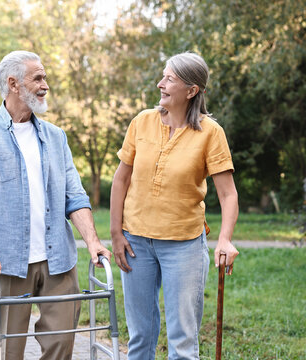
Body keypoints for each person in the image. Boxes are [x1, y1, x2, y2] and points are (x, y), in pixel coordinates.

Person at [0, 50, 111, 360]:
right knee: (8, 350)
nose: (45, 85)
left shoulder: (55, 137)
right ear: (13, 83)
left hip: (58, 259)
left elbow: (75, 196)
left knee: (62, 345)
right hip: (7, 261)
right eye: (37, 78)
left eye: (45, 78)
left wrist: (92, 241)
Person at [110, 52, 239, 360]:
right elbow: (120, 180)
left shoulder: (210, 133)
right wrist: (116, 233)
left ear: (191, 90)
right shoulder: (142, 122)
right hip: (135, 243)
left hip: (184, 247)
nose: (160, 84)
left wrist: (225, 239)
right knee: (140, 337)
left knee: (182, 342)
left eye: (169, 79)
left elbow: (229, 195)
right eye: (163, 76)